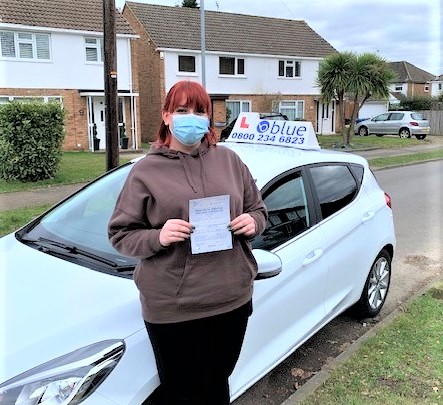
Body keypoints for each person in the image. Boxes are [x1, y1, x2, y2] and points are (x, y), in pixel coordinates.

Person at [108, 80, 267, 405]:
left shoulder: (230, 161)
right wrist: (158, 236)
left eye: (199, 111)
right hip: (174, 310)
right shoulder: (144, 172)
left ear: (208, 118)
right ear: (166, 116)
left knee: (217, 386)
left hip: (231, 301)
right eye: (182, 110)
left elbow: (259, 209)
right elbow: (120, 234)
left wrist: (252, 222)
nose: (191, 117)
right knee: (183, 394)